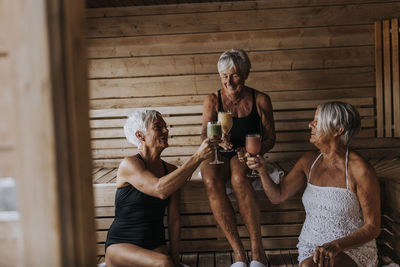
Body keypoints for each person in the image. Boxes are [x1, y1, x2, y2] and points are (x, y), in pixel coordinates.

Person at [246, 101, 380, 267]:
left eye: (317, 120)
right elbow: (277, 196)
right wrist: (261, 170)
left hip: (349, 250)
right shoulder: (309, 161)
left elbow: (372, 227)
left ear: (338, 130)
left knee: (308, 266)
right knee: (308, 264)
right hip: (310, 247)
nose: (310, 124)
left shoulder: (360, 170)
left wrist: (337, 245)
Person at [105, 109, 214, 267]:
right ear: (140, 135)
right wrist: (197, 156)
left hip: (155, 245)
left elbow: (174, 219)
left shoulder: (170, 171)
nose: (166, 130)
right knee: (163, 263)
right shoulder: (130, 164)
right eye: (158, 126)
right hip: (121, 245)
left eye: (165, 126)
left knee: (167, 262)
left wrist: (176, 259)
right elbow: (159, 189)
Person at [200, 49, 275, 267]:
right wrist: (216, 140)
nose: (229, 82)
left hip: (245, 152)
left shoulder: (261, 100)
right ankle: (239, 254)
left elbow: (271, 138)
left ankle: (257, 251)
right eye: (224, 76)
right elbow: (204, 134)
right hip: (218, 152)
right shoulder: (213, 100)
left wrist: (255, 153)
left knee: (239, 178)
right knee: (210, 180)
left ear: (245, 74)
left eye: (234, 75)